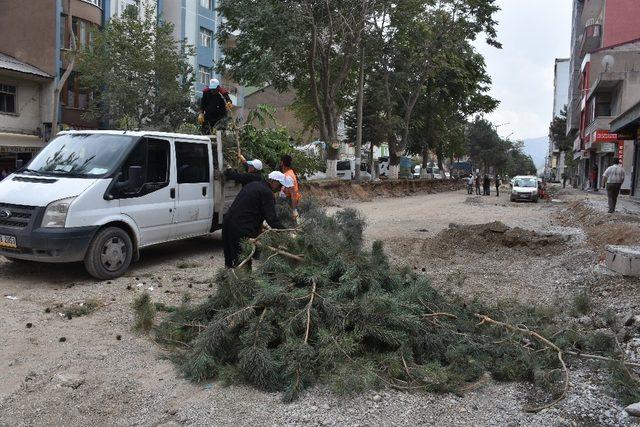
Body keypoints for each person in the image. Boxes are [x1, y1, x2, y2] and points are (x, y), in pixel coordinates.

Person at [222, 171, 293, 268]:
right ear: (274, 182)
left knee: (230, 260)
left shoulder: (253, 185)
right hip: (241, 228)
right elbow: (272, 219)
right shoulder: (267, 193)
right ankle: (243, 281)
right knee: (243, 260)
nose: (281, 188)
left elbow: (251, 209)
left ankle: (229, 280)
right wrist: (286, 232)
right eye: (281, 185)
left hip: (227, 224)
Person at [280, 154, 302, 221]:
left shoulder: (288, 176)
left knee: (290, 221)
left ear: (282, 163)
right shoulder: (289, 173)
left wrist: (294, 209)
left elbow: (293, 194)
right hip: (288, 201)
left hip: (289, 202)